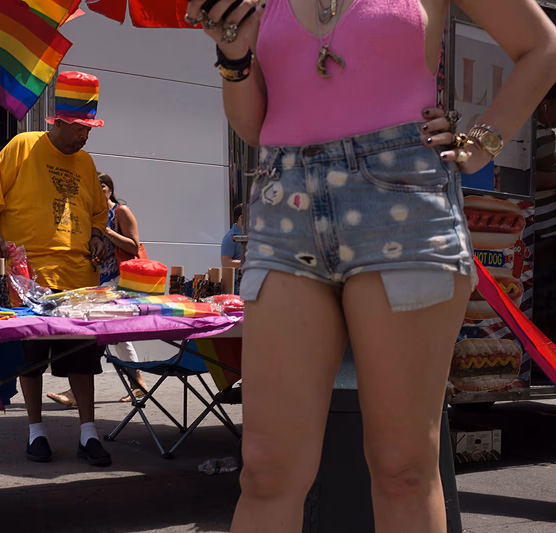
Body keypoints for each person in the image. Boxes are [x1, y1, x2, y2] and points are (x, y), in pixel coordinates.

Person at [184, 0, 556, 531]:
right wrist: (233, 56)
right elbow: (251, 127)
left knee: (403, 468)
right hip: (284, 200)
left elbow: (543, 45)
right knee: (266, 471)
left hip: (403, 202)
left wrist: (480, 144)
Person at [0, 71, 112, 467]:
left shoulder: (86, 163)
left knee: (83, 360)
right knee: (31, 358)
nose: (86, 136)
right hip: (29, 277)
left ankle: (89, 433)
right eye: (81, 128)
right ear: (62, 121)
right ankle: (36, 431)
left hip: (79, 281)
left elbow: (98, 215)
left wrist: (99, 236)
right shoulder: (23, 145)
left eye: (90, 128)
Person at [47, 172, 149, 407]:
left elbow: (134, 246)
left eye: (101, 187)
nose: (97, 191)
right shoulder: (89, 216)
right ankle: (137, 383)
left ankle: (77, 391)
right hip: (95, 282)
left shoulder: (120, 212)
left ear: (110, 190)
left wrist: (106, 230)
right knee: (112, 335)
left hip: (116, 282)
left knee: (92, 334)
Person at [221, 203, 243, 269]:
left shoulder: (252, 233)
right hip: (239, 278)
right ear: (241, 217)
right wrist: (249, 264)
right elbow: (225, 263)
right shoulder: (230, 237)